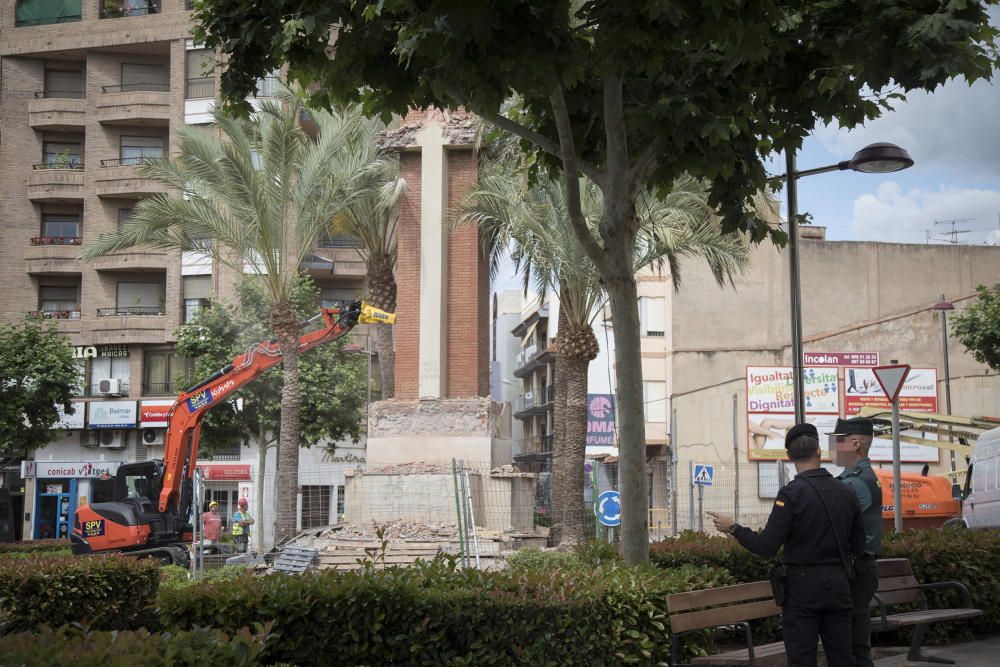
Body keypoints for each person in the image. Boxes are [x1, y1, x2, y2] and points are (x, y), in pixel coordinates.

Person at [708, 423, 864, 667]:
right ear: (819, 452)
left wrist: (734, 528)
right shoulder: (846, 492)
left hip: (802, 589)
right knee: (843, 657)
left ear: (789, 457)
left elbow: (766, 546)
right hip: (839, 586)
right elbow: (860, 545)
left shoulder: (791, 495)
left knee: (802, 659)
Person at [830, 416, 883, 667]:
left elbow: (832, 527)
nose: (832, 447)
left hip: (855, 570)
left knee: (851, 645)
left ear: (855, 444)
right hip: (860, 568)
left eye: (837, 442)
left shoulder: (856, 483)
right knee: (855, 643)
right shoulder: (856, 478)